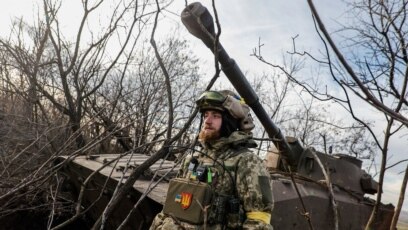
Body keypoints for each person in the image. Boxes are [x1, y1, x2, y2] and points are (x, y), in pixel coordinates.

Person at [150, 90, 273, 230]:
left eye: (215, 116)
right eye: (206, 115)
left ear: (229, 121)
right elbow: (169, 208)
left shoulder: (248, 162)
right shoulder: (192, 159)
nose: (207, 121)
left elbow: (259, 222)